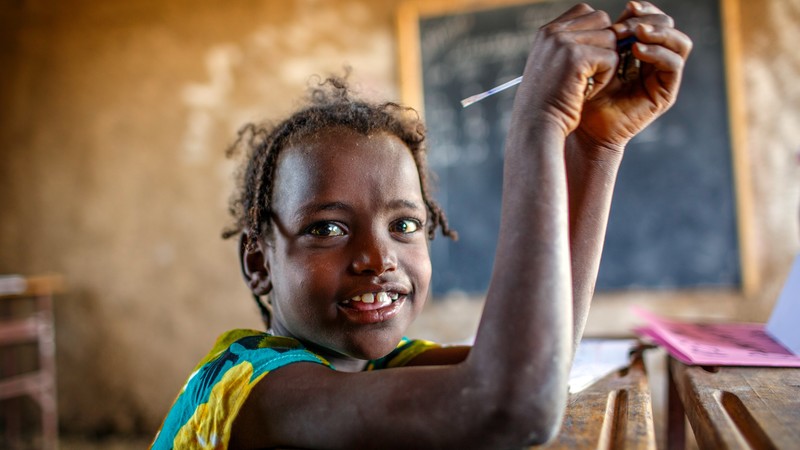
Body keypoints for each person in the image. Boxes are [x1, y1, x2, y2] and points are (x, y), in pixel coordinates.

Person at [152, 2, 692, 448]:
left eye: (405, 225)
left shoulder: (386, 364)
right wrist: (539, 123)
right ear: (258, 262)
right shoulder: (255, 390)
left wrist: (598, 146)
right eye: (329, 229)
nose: (377, 258)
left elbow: (543, 364)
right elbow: (510, 405)